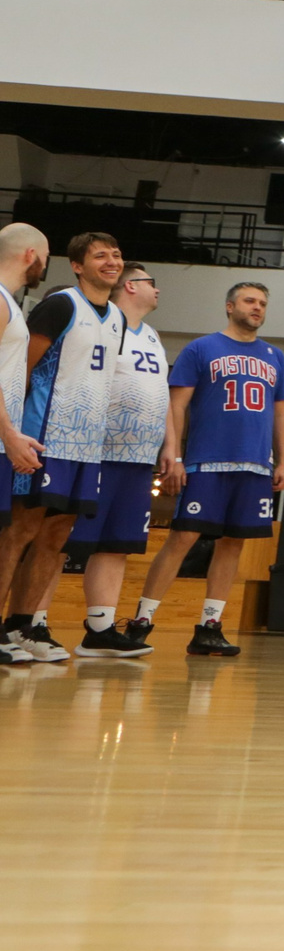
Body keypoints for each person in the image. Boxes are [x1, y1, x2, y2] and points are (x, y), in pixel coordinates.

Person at [1, 230, 125, 663]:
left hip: (87, 446)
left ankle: (21, 625)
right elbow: (22, 369)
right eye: (100, 255)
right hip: (45, 436)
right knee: (20, 532)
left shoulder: (117, 317)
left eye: (116, 255)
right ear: (77, 266)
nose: (111, 261)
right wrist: (14, 431)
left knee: (56, 537)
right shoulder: (60, 305)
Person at [68, 263, 167, 657]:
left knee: (116, 544)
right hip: (97, 452)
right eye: (150, 282)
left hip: (139, 458)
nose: (157, 290)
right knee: (62, 541)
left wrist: (169, 447)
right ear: (130, 286)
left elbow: (161, 393)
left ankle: (100, 629)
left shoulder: (153, 335)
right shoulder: (104, 325)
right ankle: (31, 622)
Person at [0, 223, 51, 668]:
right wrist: (9, 434)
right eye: (46, 256)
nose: (45, 266)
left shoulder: (12, 304)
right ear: (31, 255)